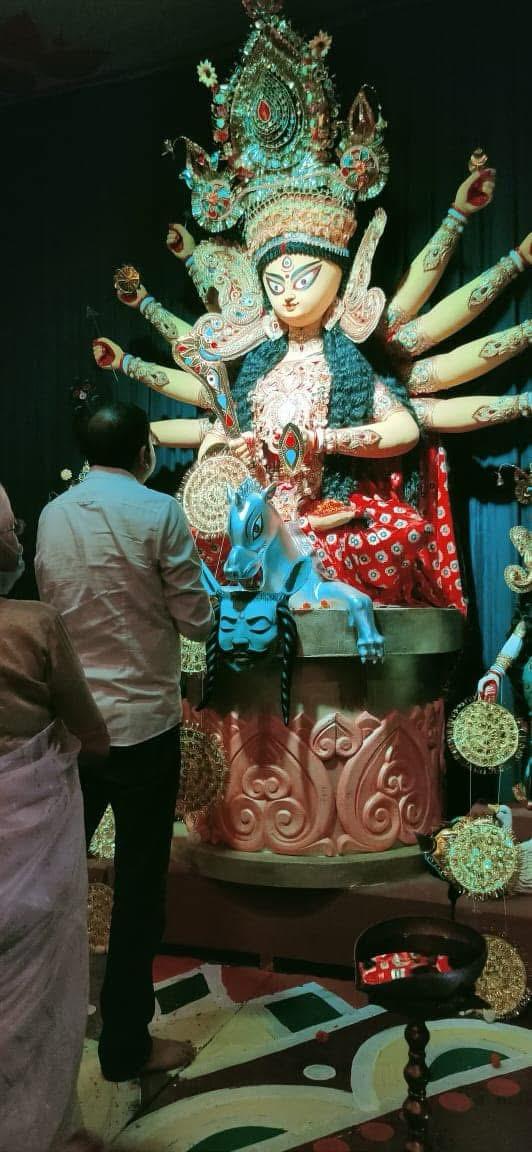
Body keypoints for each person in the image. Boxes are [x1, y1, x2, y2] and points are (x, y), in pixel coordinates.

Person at [35, 402, 214, 1083]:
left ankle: (43, 1033)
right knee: (139, 891)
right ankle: (125, 1047)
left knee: (54, 882)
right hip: (143, 730)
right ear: (145, 450)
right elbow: (195, 620)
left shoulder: (54, 514)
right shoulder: (159, 512)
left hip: (72, 730)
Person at [0, 482, 109, 1152]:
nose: (17, 542)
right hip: (31, 847)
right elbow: (92, 732)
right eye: (11, 532)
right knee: (38, 992)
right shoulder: (35, 626)